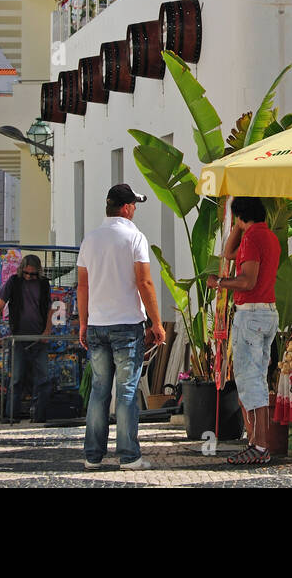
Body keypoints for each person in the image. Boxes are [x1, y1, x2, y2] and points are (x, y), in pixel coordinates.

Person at [77, 183, 165, 470]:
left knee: (99, 390)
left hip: (97, 324)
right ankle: (129, 456)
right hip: (127, 325)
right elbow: (144, 282)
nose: (135, 210)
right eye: (135, 205)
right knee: (126, 391)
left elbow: (83, 285)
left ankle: (93, 456)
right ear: (126, 207)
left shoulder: (90, 239)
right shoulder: (134, 237)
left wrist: (83, 323)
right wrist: (156, 322)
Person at [207, 196, 280, 465]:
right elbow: (229, 253)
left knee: (250, 380)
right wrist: (239, 226)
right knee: (258, 378)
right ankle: (257, 441)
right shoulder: (269, 237)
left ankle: (259, 444)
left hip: (251, 314)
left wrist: (219, 283)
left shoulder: (252, 239)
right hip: (268, 312)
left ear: (240, 216)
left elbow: (247, 281)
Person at [0, 255, 53, 422]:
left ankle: (39, 416)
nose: (29, 277)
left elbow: (49, 309)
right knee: (16, 378)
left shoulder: (43, 284)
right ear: (21, 270)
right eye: (26, 273)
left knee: (43, 379)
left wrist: (47, 331)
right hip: (18, 337)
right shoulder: (14, 282)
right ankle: (11, 415)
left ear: (38, 273)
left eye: (33, 274)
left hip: (39, 337)